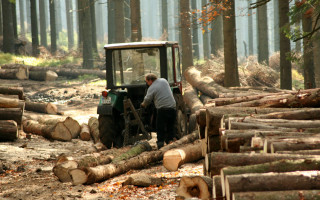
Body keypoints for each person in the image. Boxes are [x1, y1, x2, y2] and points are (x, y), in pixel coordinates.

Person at [141, 73, 176, 149]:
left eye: (147, 82)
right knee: (170, 126)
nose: (147, 84)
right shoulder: (164, 81)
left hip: (162, 109)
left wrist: (143, 105)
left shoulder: (151, 88)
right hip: (172, 107)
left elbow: (147, 100)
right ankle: (170, 141)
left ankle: (160, 144)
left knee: (160, 127)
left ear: (150, 80)